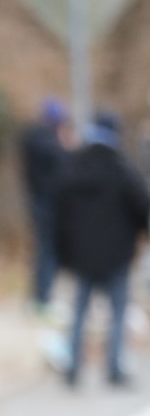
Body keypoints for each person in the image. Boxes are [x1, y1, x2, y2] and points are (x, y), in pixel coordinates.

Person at [53, 110, 150, 388]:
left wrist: (64, 253)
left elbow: (59, 214)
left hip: (82, 256)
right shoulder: (122, 169)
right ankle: (114, 368)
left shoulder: (73, 167)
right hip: (117, 255)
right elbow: (143, 206)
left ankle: (73, 366)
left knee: (79, 312)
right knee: (117, 313)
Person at [19, 98, 70, 311]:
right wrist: (65, 146)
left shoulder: (35, 138)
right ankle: (42, 299)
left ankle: (40, 297)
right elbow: (63, 162)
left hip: (41, 204)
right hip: (46, 206)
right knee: (47, 253)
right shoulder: (46, 142)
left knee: (44, 252)